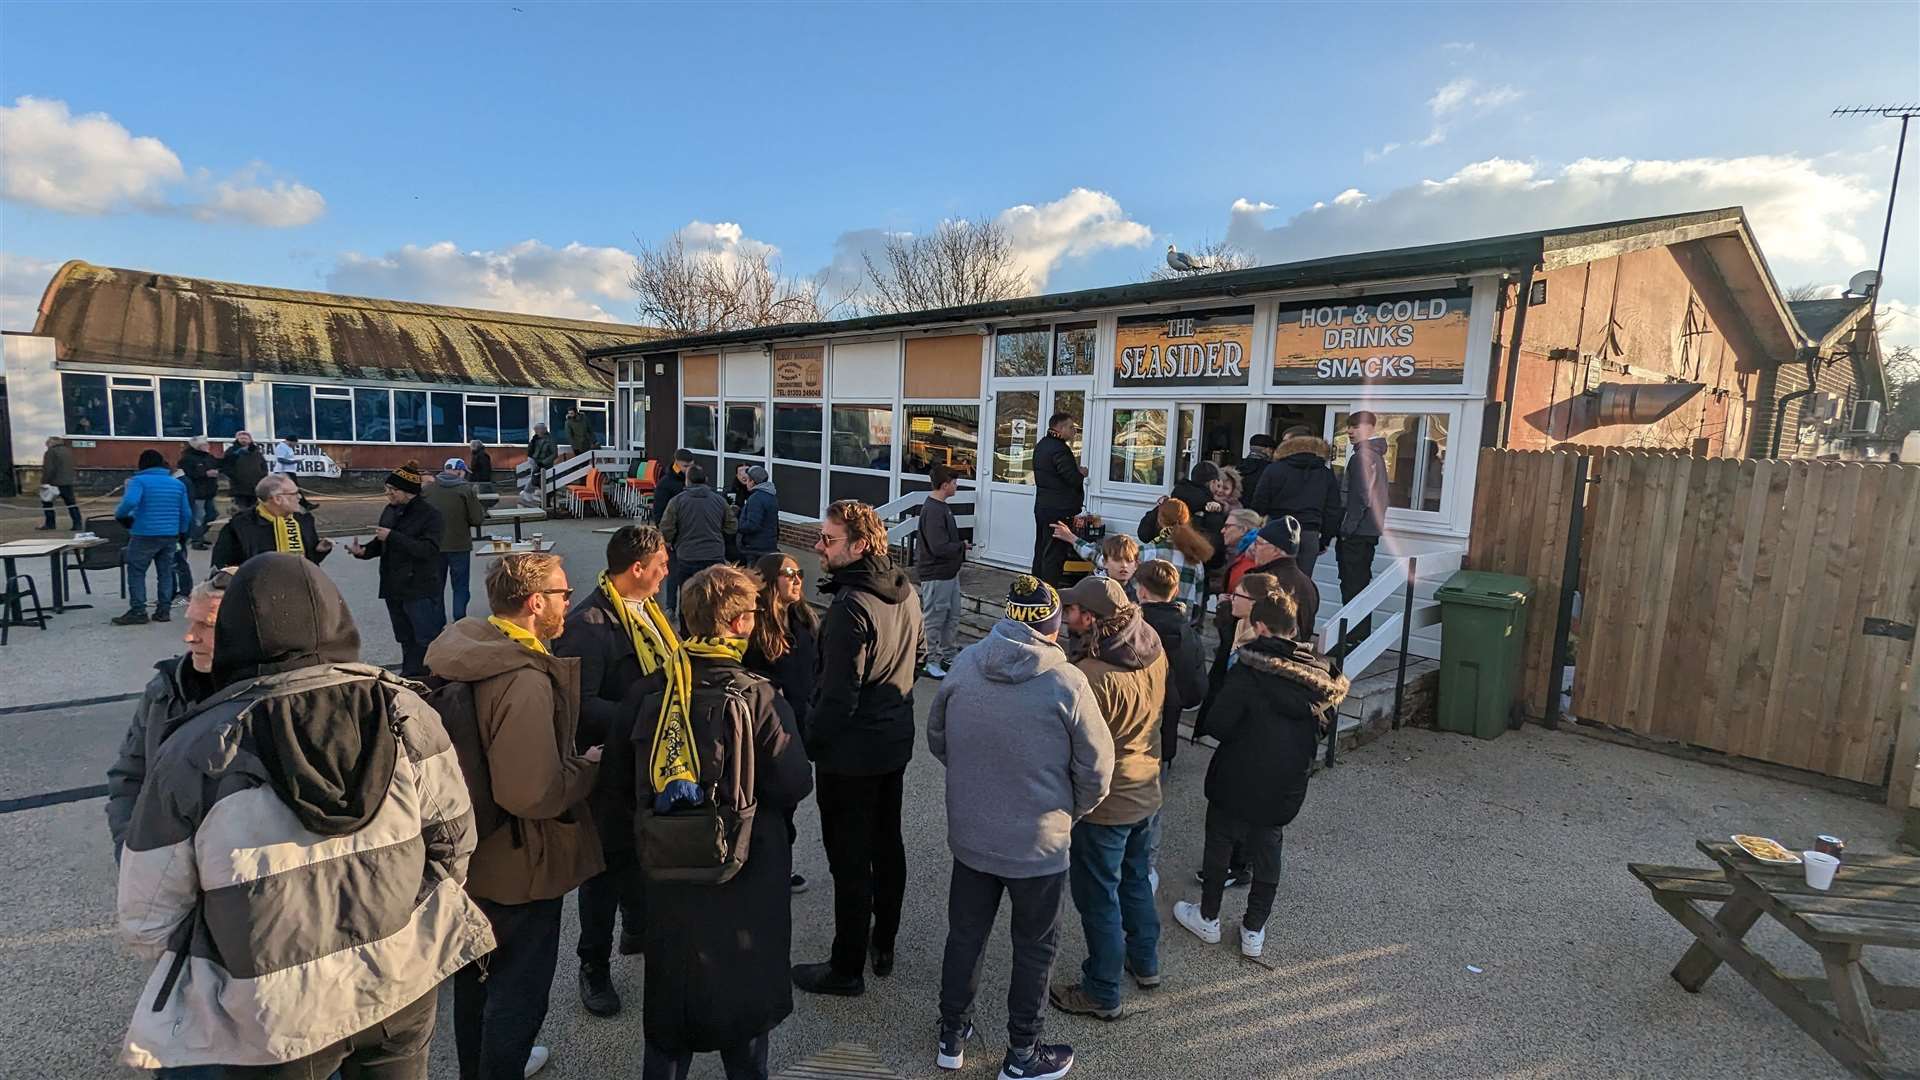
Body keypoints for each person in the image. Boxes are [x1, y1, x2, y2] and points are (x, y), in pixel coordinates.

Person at [115, 555, 495, 1078]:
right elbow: (454, 841)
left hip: (276, 1007)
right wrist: (403, 922)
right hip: (399, 976)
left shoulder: (199, 747)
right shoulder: (405, 711)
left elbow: (148, 915)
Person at [623, 563, 813, 1080]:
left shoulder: (653, 689)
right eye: (752, 611)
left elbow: (622, 777)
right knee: (745, 1008)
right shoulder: (759, 695)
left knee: (669, 1009)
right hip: (743, 867)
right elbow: (795, 781)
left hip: (667, 867)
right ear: (737, 624)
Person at [426, 552, 604, 1080]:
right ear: (534, 602)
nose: (569, 602)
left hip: (467, 851)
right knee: (517, 994)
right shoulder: (524, 679)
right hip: (518, 863)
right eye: (563, 593)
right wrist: (585, 769)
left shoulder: (468, 648)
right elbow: (530, 794)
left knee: (475, 980)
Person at [928, 576, 1113, 1080]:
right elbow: (1097, 772)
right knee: (1034, 947)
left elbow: (938, 739)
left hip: (972, 837)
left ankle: (951, 1035)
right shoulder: (1067, 683)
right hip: (1039, 845)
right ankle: (1023, 1054)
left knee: (965, 935)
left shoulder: (964, 665)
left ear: (1006, 619)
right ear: (1053, 625)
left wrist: (977, 787)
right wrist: (1066, 813)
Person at [793, 500, 925, 997]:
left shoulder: (851, 608)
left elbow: (836, 697)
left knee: (850, 860)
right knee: (886, 843)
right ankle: (883, 942)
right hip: (892, 743)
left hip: (851, 757)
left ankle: (846, 967)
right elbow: (921, 655)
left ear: (860, 545)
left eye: (828, 540)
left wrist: (811, 742)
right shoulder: (904, 589)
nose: (819, 547)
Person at [1174, 592, 1348, 959]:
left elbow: (1219, 724)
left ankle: (1208, 917)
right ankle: (1254, 928)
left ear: (1261, 627)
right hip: (1286, 780)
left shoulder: (1250, 670)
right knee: (1268, 847)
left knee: (1220, 842)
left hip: (1236, 773)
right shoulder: (1322, 676)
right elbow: (1324, 725)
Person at [550, 525, 675, 1018]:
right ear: (637, 568)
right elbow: (578, 705)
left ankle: (637, 931)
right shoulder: (589, 623)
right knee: (602, 871)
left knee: (642, 856)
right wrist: (644, 718)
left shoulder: (648, 612)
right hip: (608, 767)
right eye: (661, 564)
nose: (667, 572)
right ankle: (592, 966)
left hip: (647, 764)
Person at [1049, 575, 1166, 1022]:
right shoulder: (1153, 648)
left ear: (1092, 618)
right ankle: (1146, 962)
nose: (1067, 614)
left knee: (1099, 898)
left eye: (1073, 609)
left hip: (1107, 805)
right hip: (1147, 789)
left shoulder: (1090, 675)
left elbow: (1075, 744)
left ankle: (1102, 989)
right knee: (1136, 881)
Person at [105, 573, 230, 858]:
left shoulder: (275, 705)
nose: (189, 636)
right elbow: (128, 775)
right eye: (190, 621)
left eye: (206, 625)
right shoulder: (163, 690)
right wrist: (129, 848)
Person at [745, 552, 820, 895]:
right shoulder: (757, 630)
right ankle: (762, 871)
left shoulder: (805, 621)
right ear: (769, 581)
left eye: (799, 572)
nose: (796, 578)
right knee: (766, 805)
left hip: (798, 728)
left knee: (788, 804)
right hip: (767, 732)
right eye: (788, 573)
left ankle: (780, 868)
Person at [346, 462, 444, 677]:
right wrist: (363, 551)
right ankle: (410, 673)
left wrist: (393, 537)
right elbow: (382, 540)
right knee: (404, 636)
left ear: (408, 491)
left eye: (393, 490)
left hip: (419, 587)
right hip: (394, 586)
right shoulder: (391, 510)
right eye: (387, 489)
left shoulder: (430, 515)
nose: (387, 493)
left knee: (424, 637)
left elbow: (428, 550)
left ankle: (430, 675)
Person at [1135, 559, 1205, 769]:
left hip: (1137, 724)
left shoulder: (1136, 630)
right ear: (1175, 592)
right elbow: (1197, 680)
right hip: (1169, 721)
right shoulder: (1188, 632)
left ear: (1143, 592)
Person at [111, 449, 193, 627]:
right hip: (170, 534)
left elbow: (130, 502)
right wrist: (181, 532)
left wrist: (120, 515)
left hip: (144, 533)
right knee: (165, 572)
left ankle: (138, 611)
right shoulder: (177, 484)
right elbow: (186, 512)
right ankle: (164, 610)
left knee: (137, 571)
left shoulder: (138, 481)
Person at [1251, 427, 1342, 574]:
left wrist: (1258, 526)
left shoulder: (1274, 469)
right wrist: (1325, 539)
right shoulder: (1324, 473)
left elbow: (1259, 502)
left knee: (1270, 581)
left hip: (1276, 530)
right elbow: (1332, 509)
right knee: (1300, 583)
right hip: (1309, 532)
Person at [211, 474, 332, 568]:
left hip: (299, 588)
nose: (299, 497)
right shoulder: (240, 526)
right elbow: (222, 567)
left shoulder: (303, 520)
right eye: (294, 493)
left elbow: (310, 560)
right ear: (278, 499)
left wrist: (319, 551)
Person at [1337, 412, 1389, 633]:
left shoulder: (1362, 457)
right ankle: (1358, 637)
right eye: (1349, 427)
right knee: (1361, 586)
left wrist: (1347, 529)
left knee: (1352, 588)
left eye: (1355, 427)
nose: (1349, 431)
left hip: (1357, 534)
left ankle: (1350, 641)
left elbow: (1361, 497)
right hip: (1369, 532)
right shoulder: (1375, 456)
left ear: (1370, 428)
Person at [660, 464, 737, 612]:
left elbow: (666, 528)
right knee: (714, 596)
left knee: (688, 596)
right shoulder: (719, 501)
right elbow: (732, 526)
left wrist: (671, 541)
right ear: (705, 480)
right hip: (714, 556)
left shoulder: (677, 501)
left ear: (687, 480)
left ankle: (686, 630)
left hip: (687, 556)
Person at [916, 464, 967, 678]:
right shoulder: (934, 510)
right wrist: (961, 546)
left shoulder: (941, 506)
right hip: (936, 575)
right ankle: (930, 661)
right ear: (945, 485)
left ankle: (948, 655)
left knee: (951, 616)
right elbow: (938, 547)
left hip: (949, 573)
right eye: (954, 483)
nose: (957, 487)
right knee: (935, 619)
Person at [424, 458, 490, 622]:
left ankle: (437, 622)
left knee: (436, 587)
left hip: (433, 545)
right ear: (460, 471)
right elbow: (476, 519)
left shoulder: (428, 489)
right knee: (460, 587)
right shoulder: (465, 489)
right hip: (459, 545)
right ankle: (459, 620)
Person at [1031, 412, 1085, 585]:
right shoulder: (1060, 449)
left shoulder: (1042, 445)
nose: (1074, 431)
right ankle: (1049, 593)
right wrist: (1081, 473)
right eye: (1071, 427)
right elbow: (1071, 478)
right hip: (1059, 509)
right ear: (1060, 428)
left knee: (1041, 548)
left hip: (1044, 506)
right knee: (1054, 553)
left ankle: (1036, 586)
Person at [1136, 498, 1214, 614]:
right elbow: (1198, 602)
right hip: (1180, 625)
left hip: (1147, 621)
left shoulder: (1145, 552)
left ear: (1159, 520)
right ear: (1187, 520)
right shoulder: (1195, 560)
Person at [1250, 515, 1319, 637]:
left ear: (1276, 550)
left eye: (1258, 544)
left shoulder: (1270, 581)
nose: (1253, 548)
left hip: (1268, 652)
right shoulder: (1308, 583)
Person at [1056, 528, 1141, 601]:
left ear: (1136, 565)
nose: (1124, 565)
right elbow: (1092, 552)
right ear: (1104, 563)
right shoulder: (1093, 586)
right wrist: (1071, 537)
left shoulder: (1141, 589)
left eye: (1129, 560)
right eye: (1117, 560)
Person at [177, 437, 220, 548]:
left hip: (209, 491)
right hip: (196, 493)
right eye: (204, 444)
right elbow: (187, 475)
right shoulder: (187, 459)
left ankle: (199, 535)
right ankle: (196, 540)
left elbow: (218, 466)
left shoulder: (209, 457)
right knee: (198, 517)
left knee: (212, 515)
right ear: (198, 446)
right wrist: (205, 474)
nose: (208, 446)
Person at [37, 436, 83, 531]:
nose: (46, 445)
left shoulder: (50, 452)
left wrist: (44, 481)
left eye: (47, 443)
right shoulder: (68, 451)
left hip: (54, 482)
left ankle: (50, 524)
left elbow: (49, 468)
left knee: (47, 502)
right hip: (67, 481)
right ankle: (77, 524)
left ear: (51, 443)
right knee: (71, 504)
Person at [736, 465, 781, 562]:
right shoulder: (771, 496)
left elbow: (752, 525)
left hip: (755, 548)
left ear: (752, 482)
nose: (746, 482)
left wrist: (738, 525)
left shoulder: (756, 498)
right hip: (769, 545)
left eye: (747, 480)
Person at [218, 430, 270, 513]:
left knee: (254, 510)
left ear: (250, 440)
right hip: (239, 487)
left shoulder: (256, 452)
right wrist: (235, 477)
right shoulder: (232, 451)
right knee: (240, 510)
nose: (244, 440)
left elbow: (263, 466)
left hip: (255, 486)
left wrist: (262, 477)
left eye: (246, 438)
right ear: (237, 439)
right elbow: (226, 466)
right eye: (241, 438)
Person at [650, 449, 693, 526]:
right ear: (676, 464)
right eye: (685, 466)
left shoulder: (695, 479)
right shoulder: (665, 484)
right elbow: (659, 511)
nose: (688, 469)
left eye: (691, 466)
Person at [527, 423, 558, 497]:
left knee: (546, 483)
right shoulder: (536, 439)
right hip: (536, 464)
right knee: (535, 482)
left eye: (537, 430)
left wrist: (543, 462)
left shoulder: (550, 440)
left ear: (543, 430)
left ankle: (546, 501)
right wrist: (532, 442)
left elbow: (554, 454)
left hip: (546, 465)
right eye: (535, 431)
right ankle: (539, 499)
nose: (536, 432)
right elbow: (530, 452)